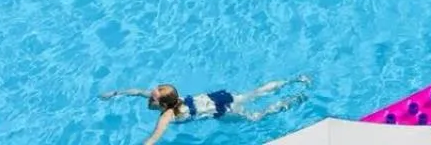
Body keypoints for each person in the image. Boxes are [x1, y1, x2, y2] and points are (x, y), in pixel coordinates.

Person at [102, 77, 312, 144]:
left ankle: (292, 101)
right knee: (254, 93)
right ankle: (293, 81)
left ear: (164, 104)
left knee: (256, 116)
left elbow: (155, 136)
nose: (149, 95)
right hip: (219, 97)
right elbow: (137, 91)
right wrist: (115, 93)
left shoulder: (167, 115)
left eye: (153, 96)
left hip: (222, 109)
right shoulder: (172, 100)